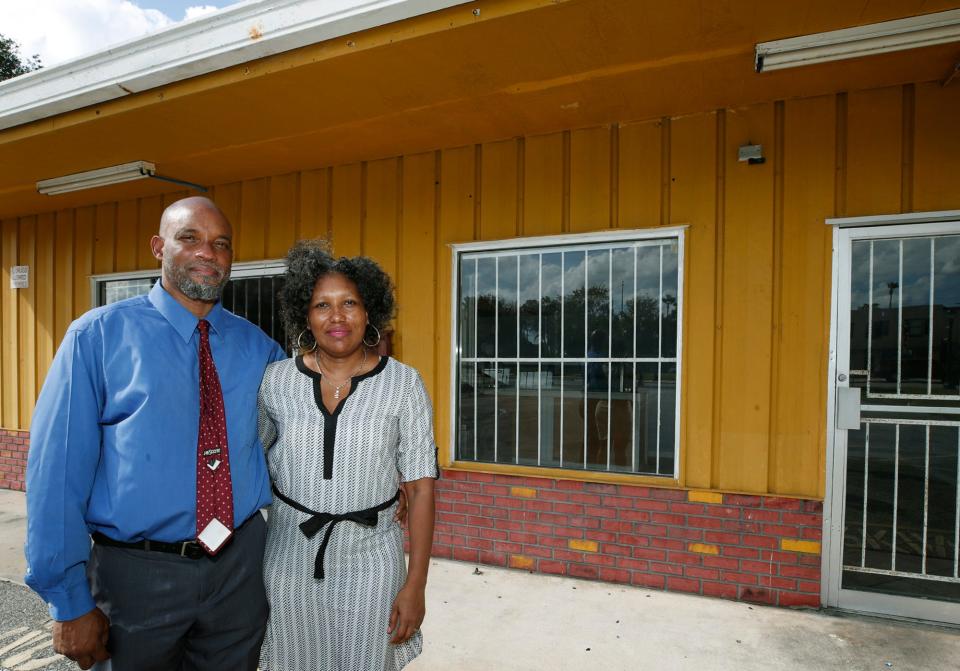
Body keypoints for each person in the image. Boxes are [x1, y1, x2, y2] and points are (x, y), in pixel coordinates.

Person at [25, 196, 287, 670]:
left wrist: (382, 478)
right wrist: (68, 601)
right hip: (135, 579)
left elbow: (297, 441)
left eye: (221, 244)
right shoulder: (97, 338)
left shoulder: (260, 348)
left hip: (239, 572)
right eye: (190, 238)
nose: (208, 252)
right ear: (158, 247)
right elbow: (56, 476)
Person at [257, 241, 437, 671]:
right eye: (322, 305)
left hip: (372, 558)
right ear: (306, 314)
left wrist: (416, 585)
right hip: (287, 558)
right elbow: (250, 460)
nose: (337, 317)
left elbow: (421, 488)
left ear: (370, 311)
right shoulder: (276, 381)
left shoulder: (404, 384)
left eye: (349, 303)